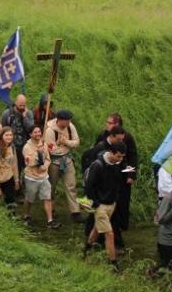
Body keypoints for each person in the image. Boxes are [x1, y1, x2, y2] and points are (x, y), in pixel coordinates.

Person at [83, 143, 127, 271]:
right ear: (112, 153)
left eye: (122, 157)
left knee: (97, 229)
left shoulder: (118, 164)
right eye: (119, 156)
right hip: (100, 205)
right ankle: (113, 264)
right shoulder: (98, 165)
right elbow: (89, 186)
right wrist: (96, 203)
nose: (120, 159)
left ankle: (86, 249)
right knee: (109, 234)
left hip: (111, 203)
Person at [97, 114, 138, 248]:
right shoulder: (102, 137)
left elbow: (132, 157)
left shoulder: (128, 137)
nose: (107, 125)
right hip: (106, 177)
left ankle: (122, 225)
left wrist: (130, 174)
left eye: (110, 123)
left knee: (123, 201)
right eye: (107, 122)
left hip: (123, 174)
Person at [44, 110, 82, 223]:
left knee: (71, 185)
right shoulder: (50, 130)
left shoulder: (71, 127)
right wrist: (67, 146)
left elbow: (76, 142)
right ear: (59, 120)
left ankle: (75, 212)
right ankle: (50, 208)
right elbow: (52, 149)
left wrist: (66, 142)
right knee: (51, 186)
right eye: (66, 120)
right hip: (54, 162)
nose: (68, 122)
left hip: (68, 159)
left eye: (69, 120)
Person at [22, 125, 56, 228]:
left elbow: (48, 159)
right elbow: (28, 162)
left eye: (39, 131)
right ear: (30, 134)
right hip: (31, 177)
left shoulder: (44, 144)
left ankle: (50, 221)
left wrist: (45, 166)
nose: (38, 134)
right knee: (29, 199)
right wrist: (38, 154)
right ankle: (26, 215)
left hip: (43, 177)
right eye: (35, 132)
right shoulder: (26, 147)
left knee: (47, 197)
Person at [0, 127, 20, 210]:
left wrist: (16, 180)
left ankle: (11, 218)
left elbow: (14, 164)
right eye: (6, 135)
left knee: (10, 202)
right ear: (1, 136)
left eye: (11, 135)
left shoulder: (12, 147)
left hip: (8, 178)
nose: (9, 137)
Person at [1, 94, 34, 174]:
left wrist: (25, 117)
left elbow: (30, 128)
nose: (22, 107)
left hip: (26, 145)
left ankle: (25, 182)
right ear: (15, 102)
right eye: (20, 105)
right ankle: (16, 183)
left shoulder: (28, 113)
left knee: (27, 166)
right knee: (15, 167)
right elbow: (3, 129)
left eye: (24, 105)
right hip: (12, 145)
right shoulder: (7, 113)